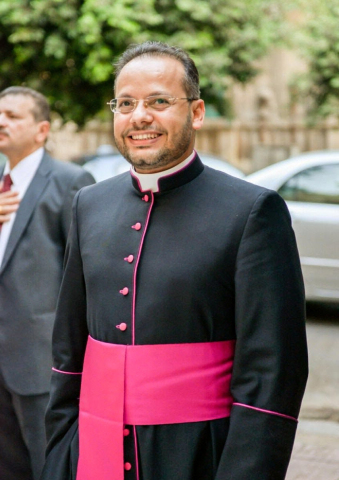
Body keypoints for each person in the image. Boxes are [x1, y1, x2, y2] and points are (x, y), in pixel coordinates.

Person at [42, 42, 308, 480]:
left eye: (159, 101)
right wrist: (60, 454)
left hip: (198, 453)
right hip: (91, 449)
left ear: (197, 112)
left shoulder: (252, 211)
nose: (139, 116)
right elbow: (68, 352)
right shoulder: (88, 204)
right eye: (125, 103)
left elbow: (273, 372)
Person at [0, 86, 95, 480]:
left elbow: (83, 275)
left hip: (39, 362)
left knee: (49, 466)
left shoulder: (70, 180)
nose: (1, 122)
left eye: (12, 116)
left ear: (41, 130)